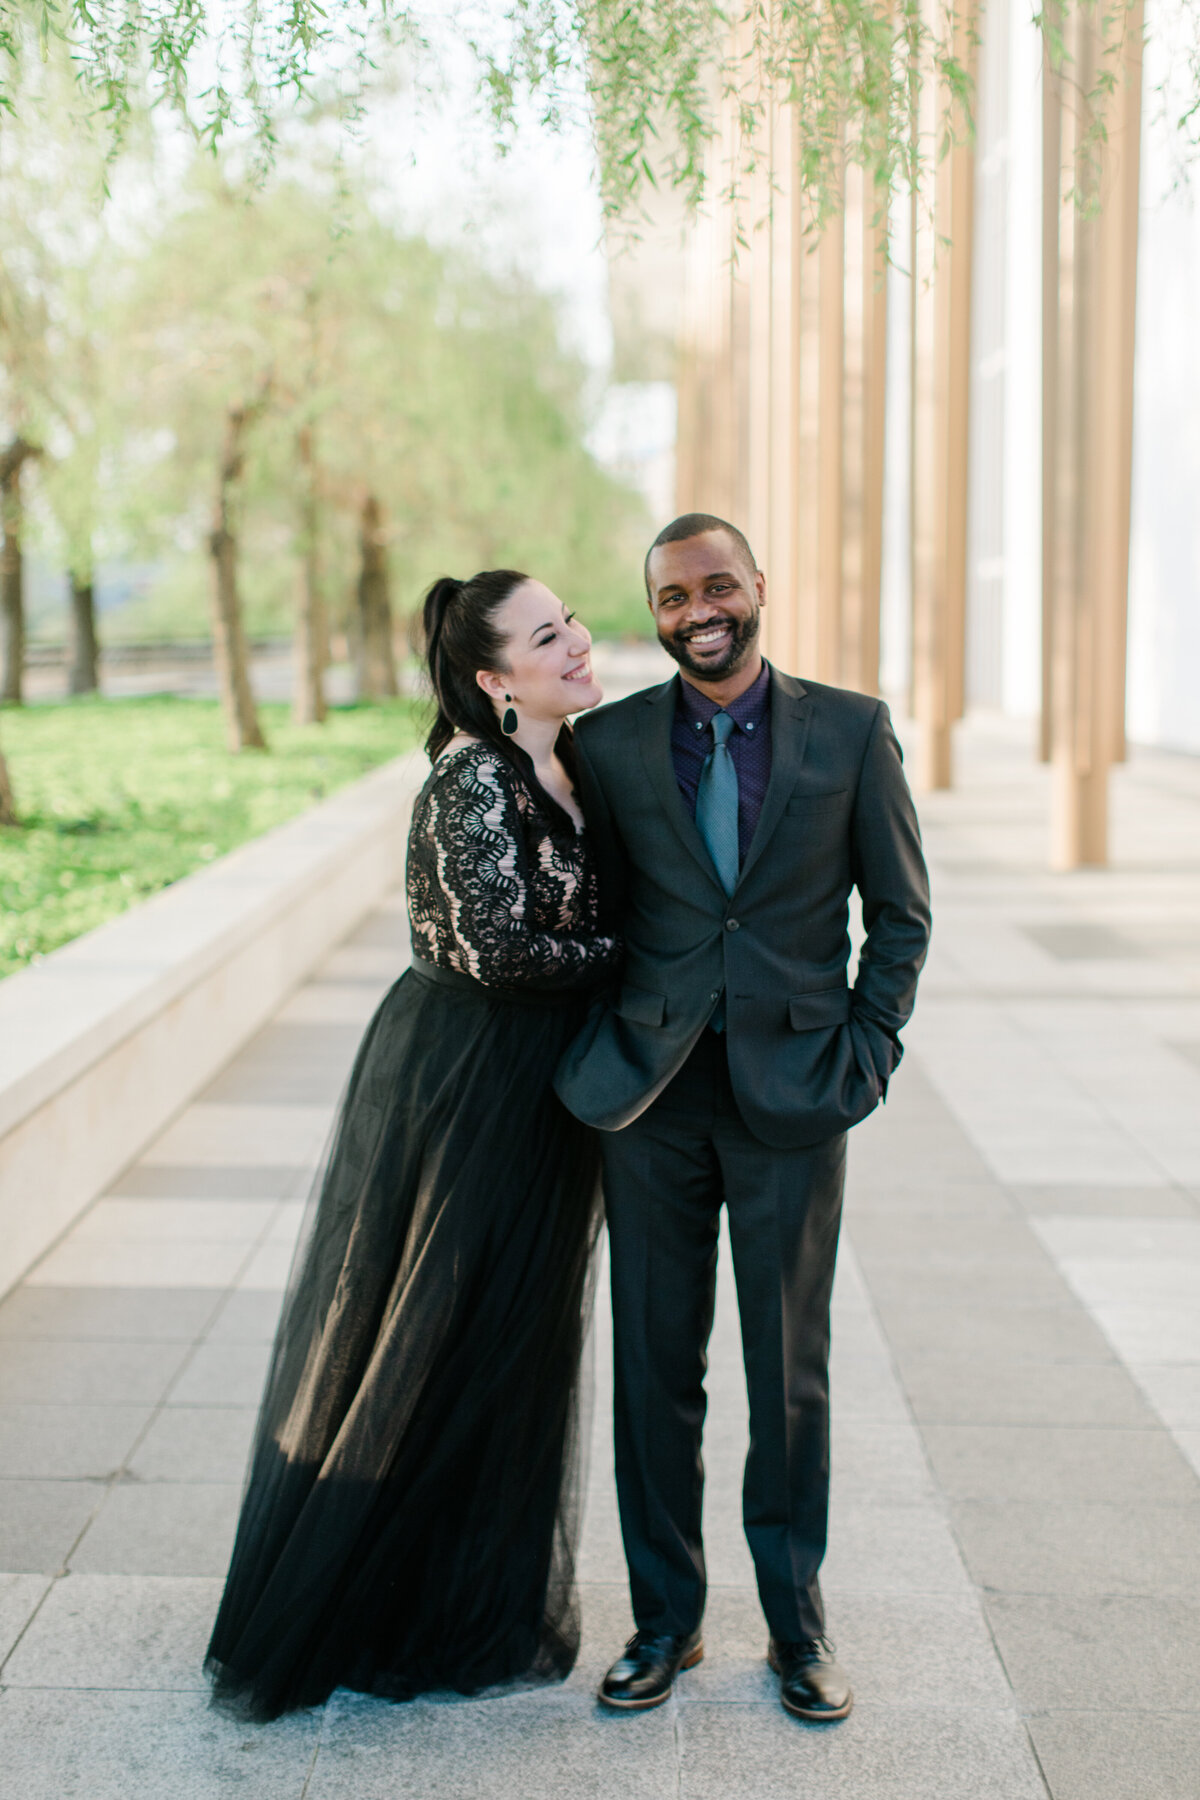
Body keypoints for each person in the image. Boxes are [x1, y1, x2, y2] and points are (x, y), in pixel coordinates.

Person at [206, 569, 617, 1721]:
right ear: (493, 679)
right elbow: (502, 950)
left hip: (546, 1092)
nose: (578, 640)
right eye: (548, 635)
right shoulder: (474, 778)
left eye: (571, 618)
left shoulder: (576, 762)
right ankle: (369, 1598)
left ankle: (467, 1595)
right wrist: (647, 968)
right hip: (465, 1086)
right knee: (428, 1333)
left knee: (514, 1340)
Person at [555, 513, 931, 1722]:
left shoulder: (852, 731)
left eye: (718, 586)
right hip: (650, 1103)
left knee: (790, 1377)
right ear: (655, 611)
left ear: (759, 587)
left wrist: (866, 1055)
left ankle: (797, 1627)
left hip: (794, 1101)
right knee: (657, 1369)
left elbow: (902, 912)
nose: (699, 611)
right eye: (673, 597)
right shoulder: (610, 746)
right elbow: (583, 908)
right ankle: (664, 1622)